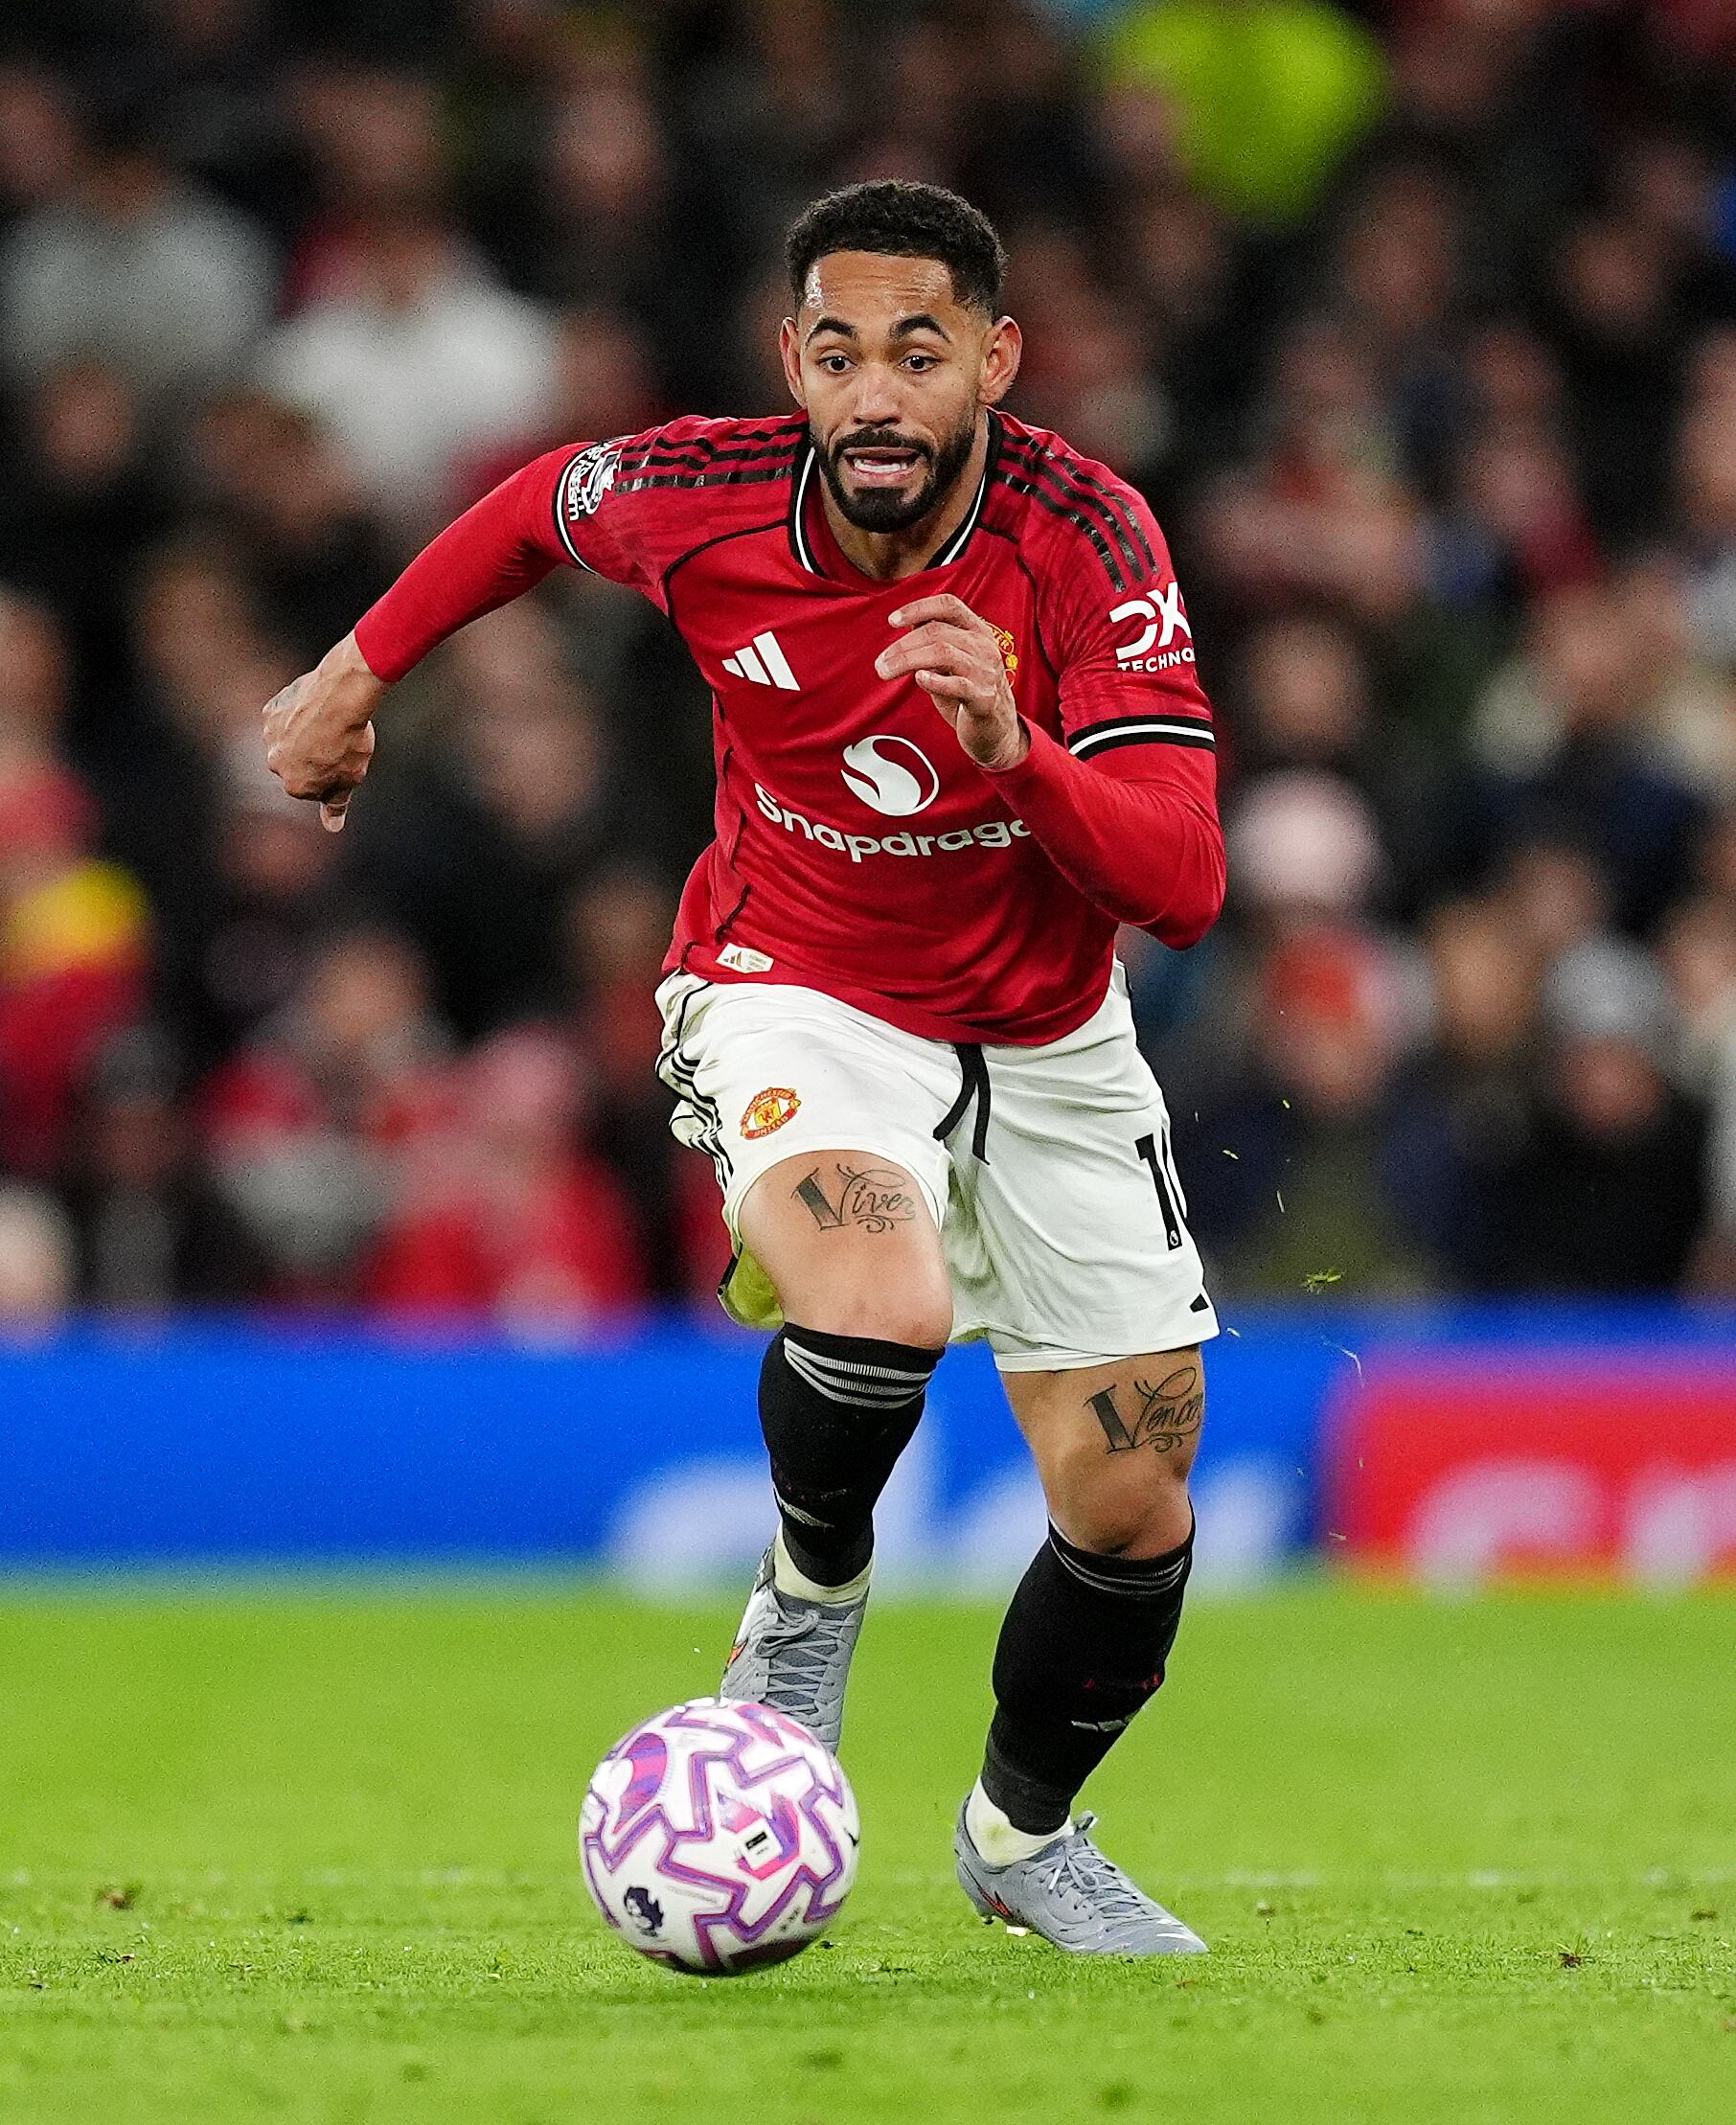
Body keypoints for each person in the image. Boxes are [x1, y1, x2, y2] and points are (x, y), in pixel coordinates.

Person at [263, 181, 1225, 1956]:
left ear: (997, 361)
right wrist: (351, 670)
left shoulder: (1088, 537)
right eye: (839, 354)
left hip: (1048, 1035)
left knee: (1133, 1502)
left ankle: (1021, 1837)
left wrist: (1020, 751)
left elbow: (1184, 880)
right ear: (792, 363)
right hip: (794, 984)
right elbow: (531, 508)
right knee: (878, 1296)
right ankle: (808, 1597)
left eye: (919, 353)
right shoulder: (703, 494)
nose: (877, 394)